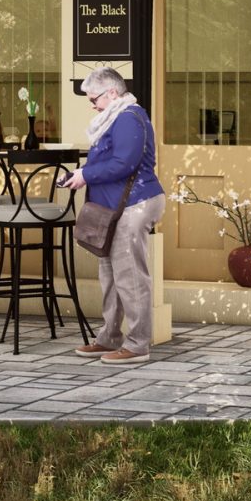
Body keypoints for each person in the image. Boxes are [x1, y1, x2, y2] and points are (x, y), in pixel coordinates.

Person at [60, 67, 163, 364]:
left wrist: (86, 175)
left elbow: (123, 163)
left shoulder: (129, 117)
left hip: (134, 203)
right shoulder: (113, 118)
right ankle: (109, 337)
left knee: (130, 274)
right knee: (110, 273)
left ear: (113, 93)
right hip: (115, 207)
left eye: (94, 99)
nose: (92, 105)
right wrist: (80, 174)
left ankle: (138, 344)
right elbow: (110, 160)